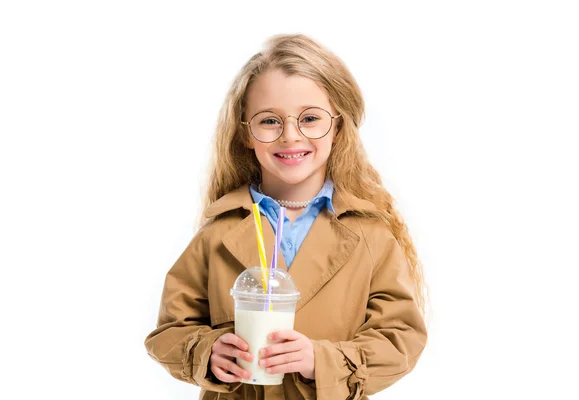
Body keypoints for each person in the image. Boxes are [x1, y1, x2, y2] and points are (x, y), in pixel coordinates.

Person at [144, 33, 427, 400]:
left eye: (310, 118)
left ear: (338, 127)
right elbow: (169, 331)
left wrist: (321, 360)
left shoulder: (370, 234)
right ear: (245, 132)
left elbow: (401, 337)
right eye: (269, 121)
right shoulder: (219, 233)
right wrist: (207, 352)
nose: (290, 136)